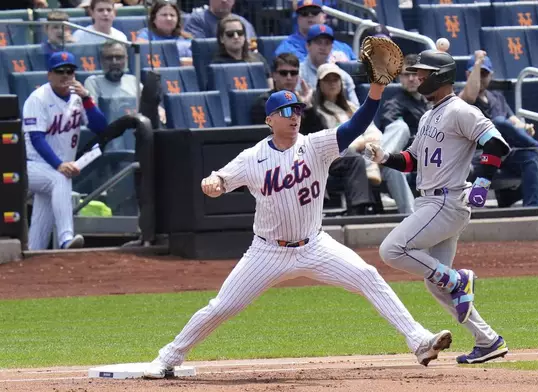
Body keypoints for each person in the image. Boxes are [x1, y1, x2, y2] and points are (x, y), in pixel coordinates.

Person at [142, 81, 454, 379]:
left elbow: (355, 126)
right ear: (270, 120)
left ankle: (419, 341)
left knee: (367, 276)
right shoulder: (253, 158)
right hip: (267, 251)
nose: (295, 117)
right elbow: (220, 180)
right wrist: (213, 184)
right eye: (287, 112)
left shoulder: (316, 145)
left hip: (315, 246)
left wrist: (375, 91)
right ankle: (168, 357)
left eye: (298, 111)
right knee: (222, 307)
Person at [364, 49, 510, 364]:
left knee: (392, 250)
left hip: (447, 199)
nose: (418, 77)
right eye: (417, 72)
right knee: (437, 284)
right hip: (433, 199)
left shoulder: (461, 110)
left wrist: (483, 183)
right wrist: (383, 157)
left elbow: (497, 144)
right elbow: (412, 160)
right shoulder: (430, 114)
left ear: (441, 76)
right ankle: (488, 341)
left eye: (424, 72)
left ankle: (459, 279)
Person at [250, 54, 373, 216]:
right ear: (273, 75)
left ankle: (358, 212)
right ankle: (317, 211)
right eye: (283, 73)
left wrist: (308, 108)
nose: (289, 77)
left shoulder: (304, 101)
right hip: (280, 157)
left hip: (312, 153)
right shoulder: (263, 103)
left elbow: (320, 131)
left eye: (293, 73)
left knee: (352, 158)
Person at [22, 52, 108, 250]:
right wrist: (59, 165)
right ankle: (66, 238)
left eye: (69, 71)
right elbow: (36, 139)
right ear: (49, 75)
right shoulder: (38, 98)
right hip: (31, 166)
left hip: (55, 168)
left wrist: (87, 98)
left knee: (41, 224)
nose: (65, 76)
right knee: (59, 179)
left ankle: (34, 254)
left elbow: (100, 127)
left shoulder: (78, 98)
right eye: (59, 71)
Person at [459, 51, 538, 207]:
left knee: (529, 157)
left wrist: (525, 127)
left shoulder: (498, 97)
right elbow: (471, 95)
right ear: (468, 74)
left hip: (504, 153)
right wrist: (478, 63)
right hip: (478, 154)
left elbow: (513, 121)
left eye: (484, 74)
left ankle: (532, 210)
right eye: (476, 73)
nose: (480, 77)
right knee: (498, 122)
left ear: (491, 75)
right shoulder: (462, 98)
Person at [274, 0, 356, 63]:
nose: (310, 15)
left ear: (324, 17)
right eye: (304, 13)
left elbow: (358, 71)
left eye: (314, 12)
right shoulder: (286, 48)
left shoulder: (342, 47)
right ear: (298, 19)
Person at [297, 24, 358, 105]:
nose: (323, 47)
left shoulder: (343, 76)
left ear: (332, 47)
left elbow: (356, 109)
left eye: (327, 43)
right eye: (318, 42)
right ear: (308, 46)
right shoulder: (297, 73)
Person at [211, 15, 271, 80]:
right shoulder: (217, 65)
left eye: (240, 33)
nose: (236, 37)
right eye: (230, 34)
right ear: (221, 39)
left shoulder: (258, 58)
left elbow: (269, 84)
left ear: (244, 36)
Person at [136, 1, 193, 65]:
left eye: (172, 15)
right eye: (164, 15)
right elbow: (140, 50)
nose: (169, 18)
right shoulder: (146, 34)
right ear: (154, 19)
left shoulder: (186, 38)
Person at [184, 0, 256, 40]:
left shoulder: (243, 23)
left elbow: (252, 47)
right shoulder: (197, 20)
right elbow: (200, 48)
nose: (224, 1)